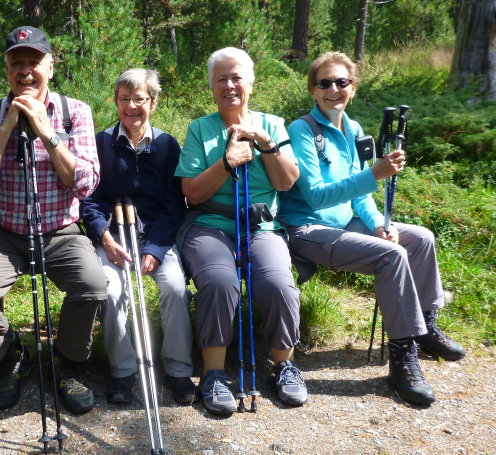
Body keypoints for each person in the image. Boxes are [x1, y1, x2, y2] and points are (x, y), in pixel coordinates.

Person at [277, 51, 466, 406]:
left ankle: (425, 327)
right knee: (391, 255)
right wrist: (374, 173)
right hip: (307, 229)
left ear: (353, 88)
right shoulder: (303, 130)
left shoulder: (353, 130)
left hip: (346, 224)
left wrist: (379, 223)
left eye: (342, 82)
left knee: (421, 239)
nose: (333, 89)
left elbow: (361, 194)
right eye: (324, 83)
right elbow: (315, 195)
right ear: (313, 90)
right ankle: (403, 357)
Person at [0, 26, 106, 415]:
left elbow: (85, 184)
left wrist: (47, 132)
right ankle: (11, 355)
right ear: (6, 70)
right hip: (3, 234)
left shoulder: (75, 112)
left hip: (61, 232)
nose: (25, 71)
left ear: (50, 67)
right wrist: (6, 128)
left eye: (34, 62)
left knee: (92, 285)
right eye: (16, 63)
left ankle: (67, 360)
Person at [175, 48, 302, 415]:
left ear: (251, 82)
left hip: (261, 226)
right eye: (221, 79)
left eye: (236, 78)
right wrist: (226, 162)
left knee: (278, 283)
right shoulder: (200, 128)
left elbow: (287, 181)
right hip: (210, 225)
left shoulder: (272, 125)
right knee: (219, 282)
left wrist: (266, 143)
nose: (229, 85)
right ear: (212, 86)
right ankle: (213, 374)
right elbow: (192, 192)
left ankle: (285, 365)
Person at [80, 68, 196, 405]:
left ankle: (178, 369)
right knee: (111, 290)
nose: (131, 106)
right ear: (116, 102)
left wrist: (156, 249)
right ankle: (123, 370)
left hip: (155, 238)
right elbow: (89, 200)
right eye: (124, 99)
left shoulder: (166, 145)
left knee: (175, 288)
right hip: (112, 238)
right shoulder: (101, 143)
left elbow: (174, 204)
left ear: (153, 102)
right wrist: (104, 238)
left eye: (139, 99)